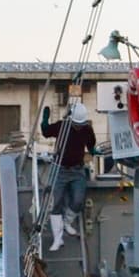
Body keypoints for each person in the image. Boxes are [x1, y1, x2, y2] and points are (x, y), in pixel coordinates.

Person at [40, 100, 96, 251]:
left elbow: (91, 145)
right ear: (71, 119)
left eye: (81, 124)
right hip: (60, 169)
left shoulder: (87, 130)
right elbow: (46, 131)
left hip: (77, 170)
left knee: (78, 200)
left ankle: (67, 222)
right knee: (56, 203)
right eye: (76, 124)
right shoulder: (62, 127)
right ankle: (57, 239)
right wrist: (45, 119)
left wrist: (94, 151)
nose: (79, 126)